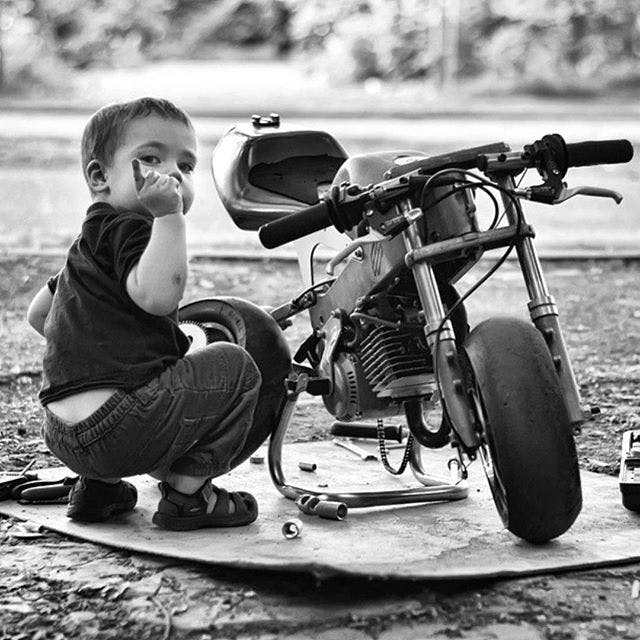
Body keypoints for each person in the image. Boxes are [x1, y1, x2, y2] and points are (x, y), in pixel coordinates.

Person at [26, 97, 263, 530]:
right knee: (236, 367)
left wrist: (96, 346)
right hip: (120, 427)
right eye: (151, 158)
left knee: (133, 379)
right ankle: (190, 497)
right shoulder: (136, 228)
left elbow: (40, 314)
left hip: (61, 433)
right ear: (99, 176)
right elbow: (157, 297)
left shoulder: (89, 244)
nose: (173, 173)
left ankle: (98, 490)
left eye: (187, 166)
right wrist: (169, 217)